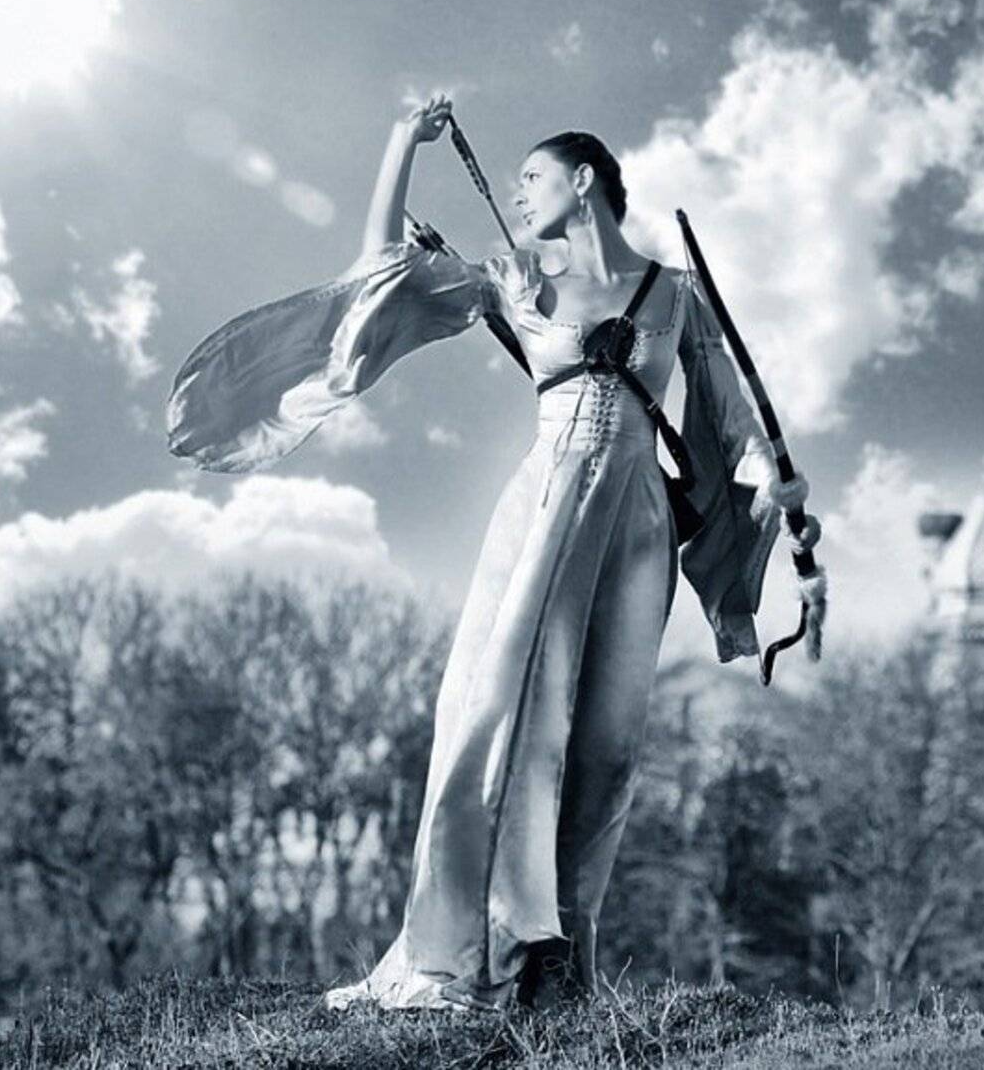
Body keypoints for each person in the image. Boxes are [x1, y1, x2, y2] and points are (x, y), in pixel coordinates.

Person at [166, 93, 821, 1013]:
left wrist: (774, 485)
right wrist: (403, 140)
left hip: (637, 526)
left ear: (583, 180)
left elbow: (730, 417)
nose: (517, 195)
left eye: (532, 177)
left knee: (605, 740)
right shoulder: (513, 281)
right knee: (507, 715)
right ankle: (485, 945)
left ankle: (561, 956)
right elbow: (381, 269)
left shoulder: (675, 292)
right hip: (544, 508)